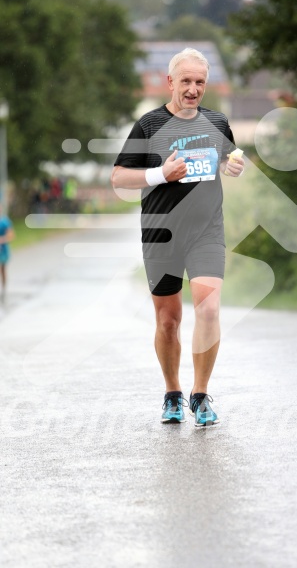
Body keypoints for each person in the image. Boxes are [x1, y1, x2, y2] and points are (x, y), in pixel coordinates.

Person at [111, 48, 244, 426]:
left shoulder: (217, 121)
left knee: (210, 308)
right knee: (168, 320)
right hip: (161, 234)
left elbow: (226, 158)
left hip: (206, 232)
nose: (193, 89)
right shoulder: (149, 125)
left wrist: (233, 165)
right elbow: (119, 177)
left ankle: (200, 396)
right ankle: (172, 393)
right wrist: (158, 175)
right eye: (185, 81)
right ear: (170, 82)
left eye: (200, 82)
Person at [0, 203, 15, 302]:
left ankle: (4, 288)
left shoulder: (5, 222)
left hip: (3, 250)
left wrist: (2, 239)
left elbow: (11, 235)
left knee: (3, 269)